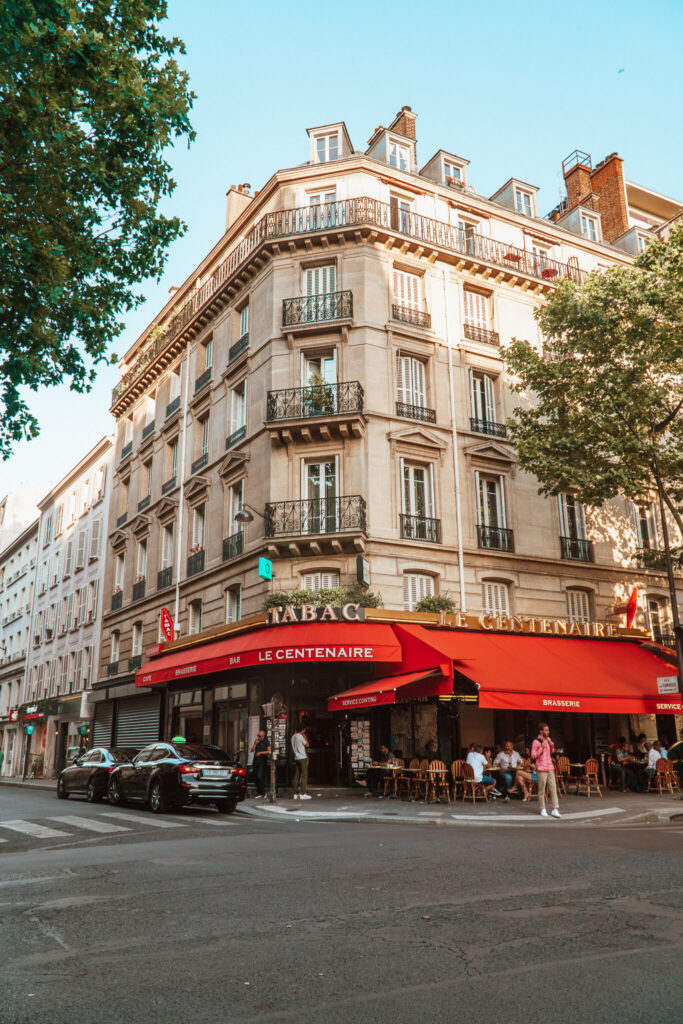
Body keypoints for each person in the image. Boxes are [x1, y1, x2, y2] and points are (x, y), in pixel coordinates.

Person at [531, 723, 561, 818]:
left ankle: (555, 809)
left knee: (553, 788)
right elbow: (533, 755)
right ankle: (542, 808)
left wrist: (552, 747)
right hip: (541, 768)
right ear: (541, 731)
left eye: (548, 730)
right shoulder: (536, 742)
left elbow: (551, 752)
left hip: (550, 767)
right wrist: (541, 747)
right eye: (546, 730)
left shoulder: (548, 740)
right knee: (541, 790)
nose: (548, 732)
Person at [291, 725, 310, 800]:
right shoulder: (300, 736)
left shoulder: (293, 736)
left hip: (296, 757)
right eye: (304, 730)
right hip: (302, 757)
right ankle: (303, 793)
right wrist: (305, 736)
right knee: (304, 775)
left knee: (296, 775)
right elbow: (307, 745)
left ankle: (295, 793)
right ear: (302, 730)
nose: (304, 731)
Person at [250, 729, 270, 799]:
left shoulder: (266, 742)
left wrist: (261, 753)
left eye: (260, 736)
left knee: (259, 776)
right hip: (255, 761)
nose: (258, 737)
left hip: (262, 761)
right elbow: (251, 750)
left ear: (263, 736)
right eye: (258, 735)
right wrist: (255, 743)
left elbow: (269, 751)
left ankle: (263, 792)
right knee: (255, 776)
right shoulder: (256, 741)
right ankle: (259, 792)